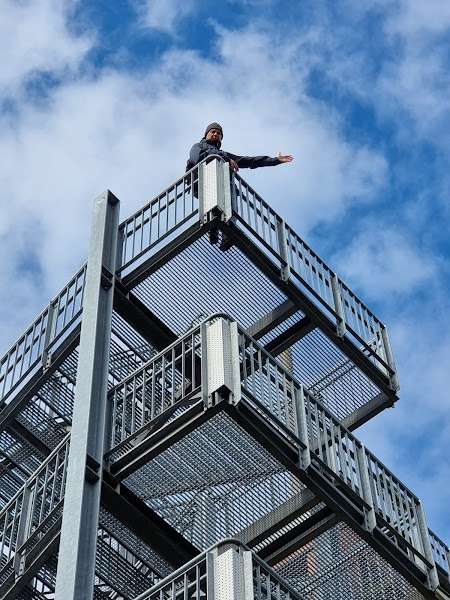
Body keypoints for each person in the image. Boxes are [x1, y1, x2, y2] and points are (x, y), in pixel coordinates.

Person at [186, 122, 293, 172]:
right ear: (206, 134)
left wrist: (275, 160)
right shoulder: (197, 146)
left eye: (219, 133)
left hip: (223, 188)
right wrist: (226, 160)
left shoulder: (224, 154)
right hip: (202, 185)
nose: (215, 134)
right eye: (213, 131)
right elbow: (199, 158)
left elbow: (249, 161)